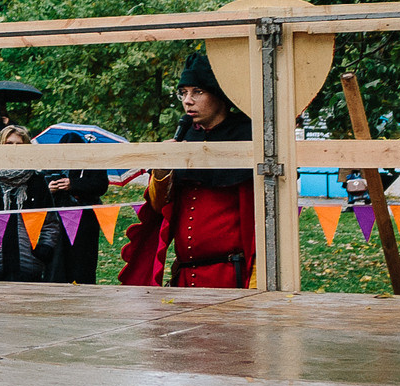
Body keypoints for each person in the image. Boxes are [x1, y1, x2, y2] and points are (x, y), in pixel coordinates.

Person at [119, 54, 257, 287]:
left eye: (197, 92)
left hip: (230, 275)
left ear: (219, 94)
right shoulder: (184, 136)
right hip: (185, 274)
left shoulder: (246, 137)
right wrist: (162, 168)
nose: (187, 100)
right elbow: (159, 206)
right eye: (183, 92)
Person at [0, 126, 62, 280]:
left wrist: (43, 251)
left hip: (28, 264)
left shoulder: (37, 181)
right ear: (0, 147)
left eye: (19, 145)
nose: (14, 149)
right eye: (9, 144)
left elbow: (50, 222)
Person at [44, 132, 111, 284]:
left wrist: (73, 185)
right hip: (57, 218)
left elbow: (100, 186)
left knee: (82, 261)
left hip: (85, 220)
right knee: (57, 261)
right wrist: (49, 188)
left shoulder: (92, 163)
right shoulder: (51, 164)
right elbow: (40, 185)